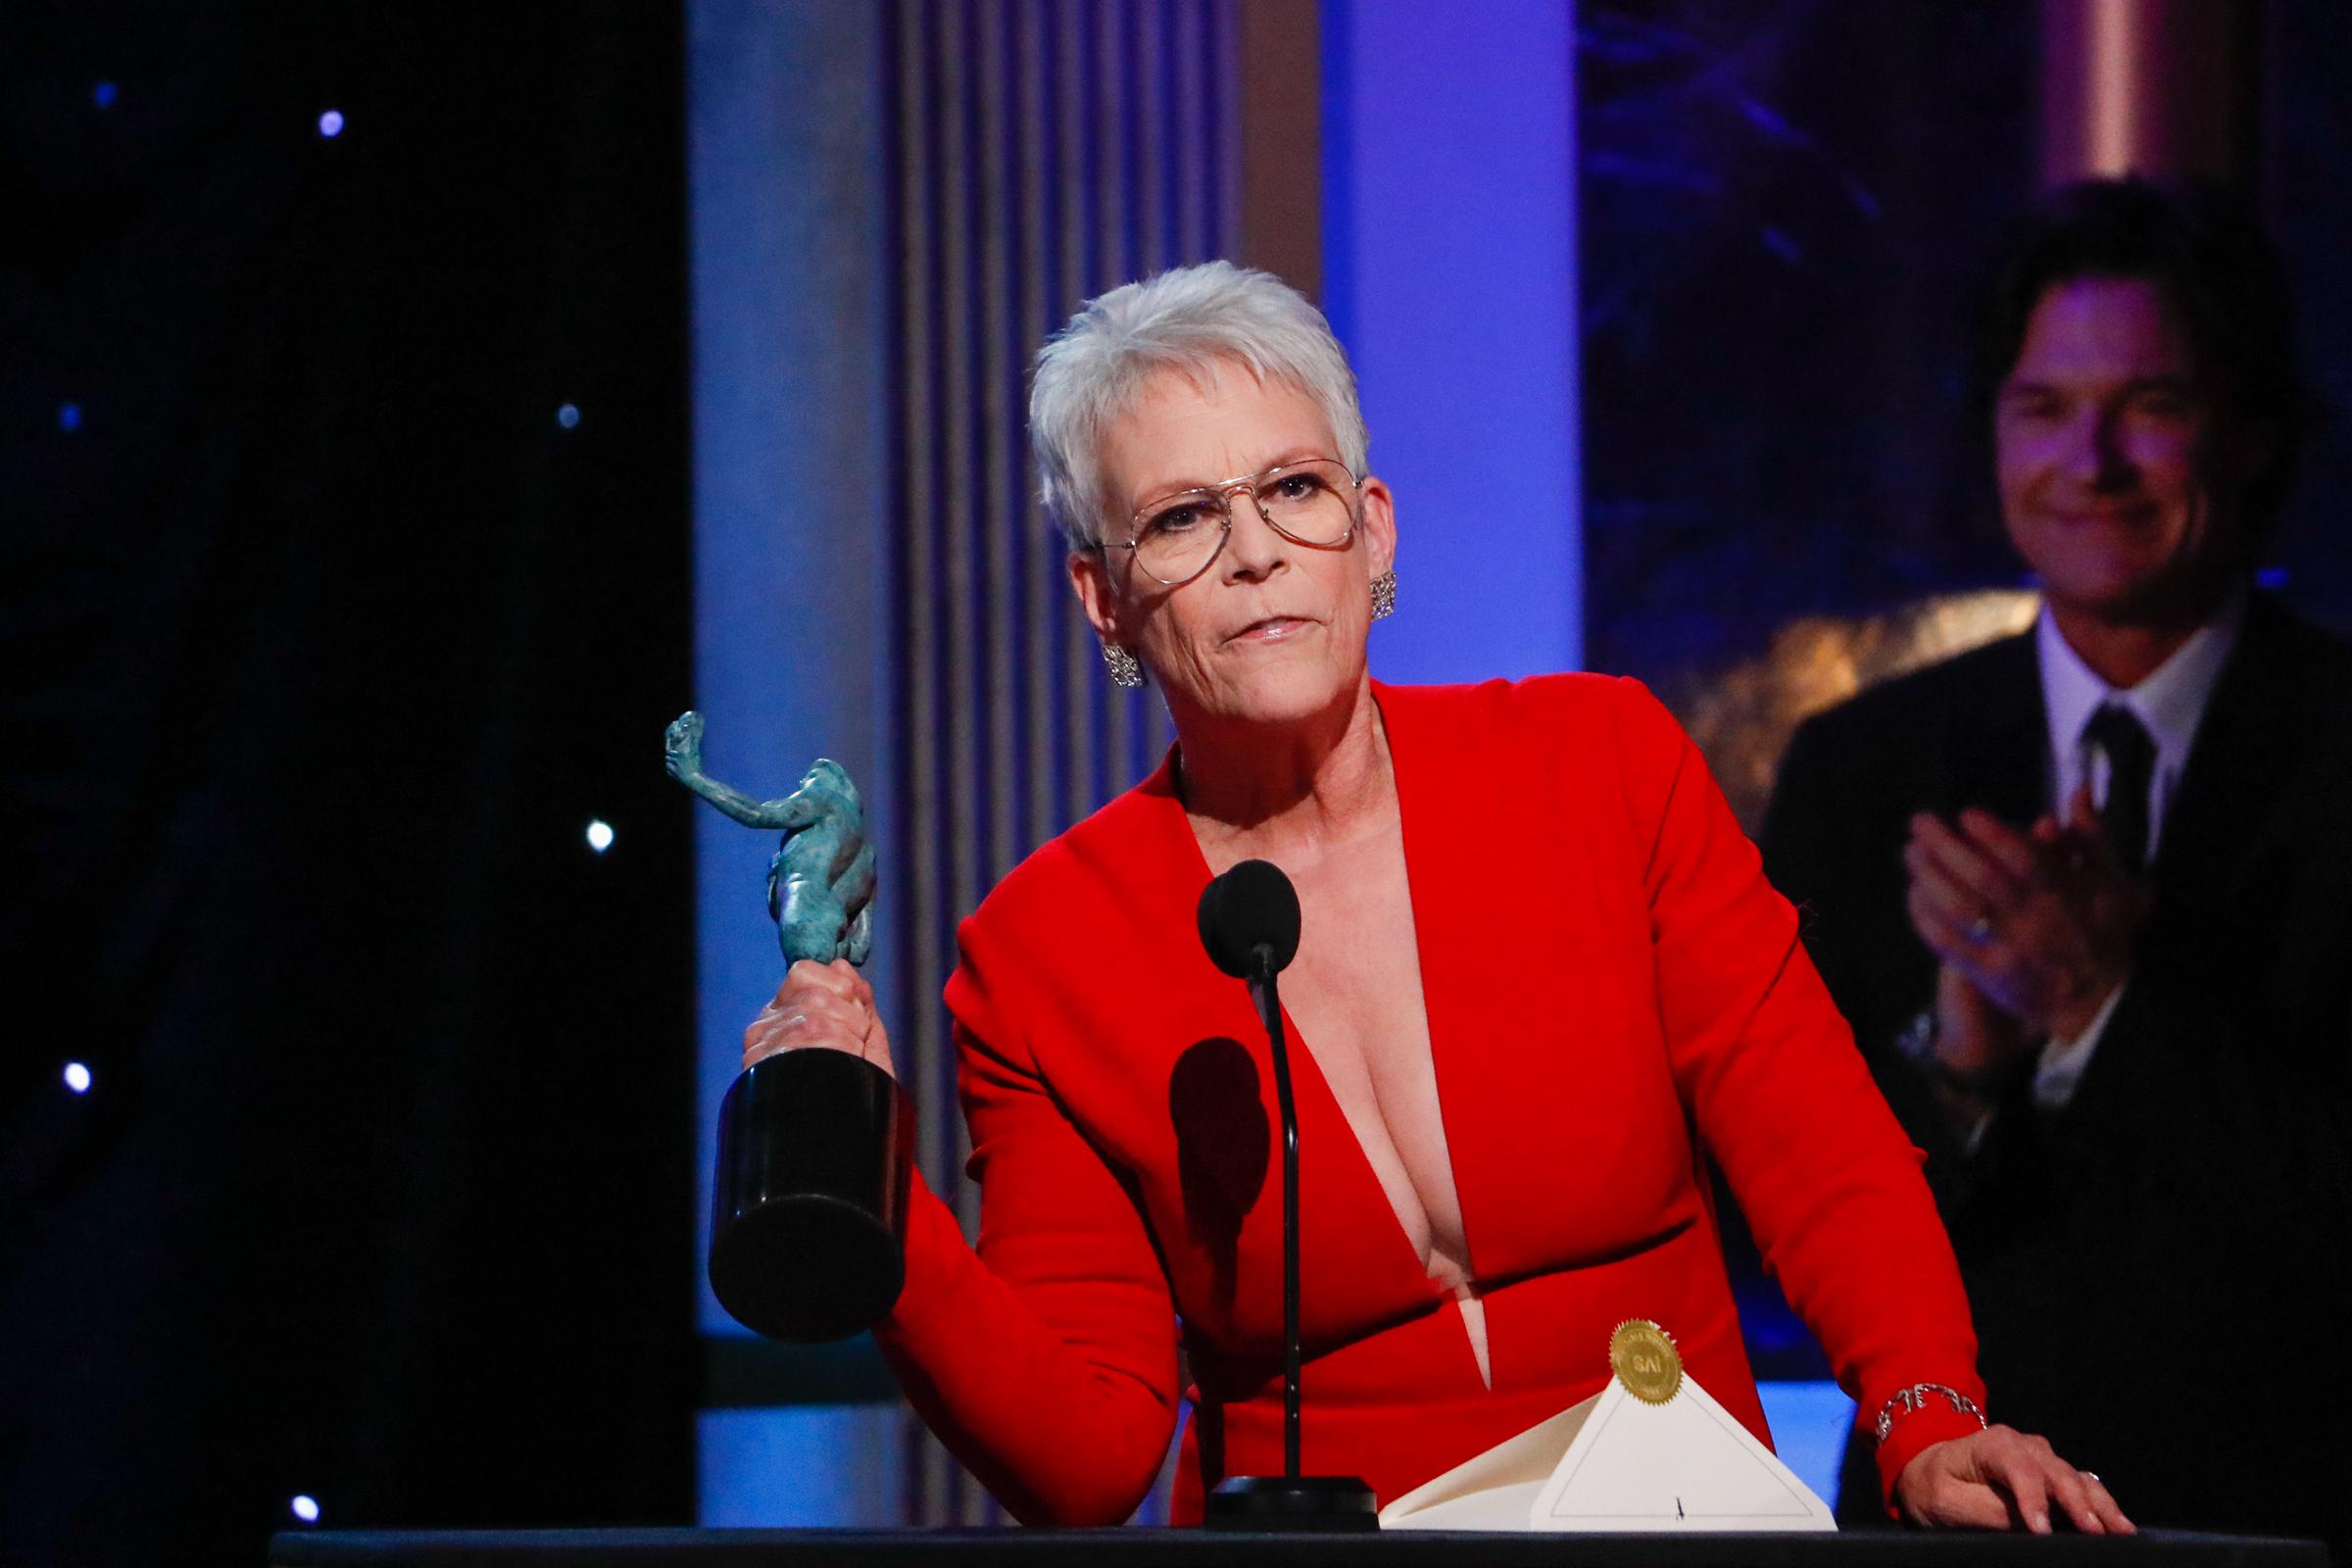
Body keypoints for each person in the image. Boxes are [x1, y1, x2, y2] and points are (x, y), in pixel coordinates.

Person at [753, 261, 2123, 1531]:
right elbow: (1093, 1454)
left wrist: (1926, 1417)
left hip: (1679, 1531)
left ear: (1374, 528)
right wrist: (867, 1186)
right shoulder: (1042, 954)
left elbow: (1820, 1153)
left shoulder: (1600, 766)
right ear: (1104, 600)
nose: (1255, 552)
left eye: (1294, 488)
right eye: (1181, 516)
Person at [1763, 178, 2352, 1549]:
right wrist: (1961, 1069)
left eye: (2150, 406)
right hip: (1946, 1535)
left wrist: (2103, 1006)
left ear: (2254, 432)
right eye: (2043, 409)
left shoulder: (2336, 745)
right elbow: (1781, 1229)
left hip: (2285, 1525)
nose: (2090, 462)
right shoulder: (1864, 768)